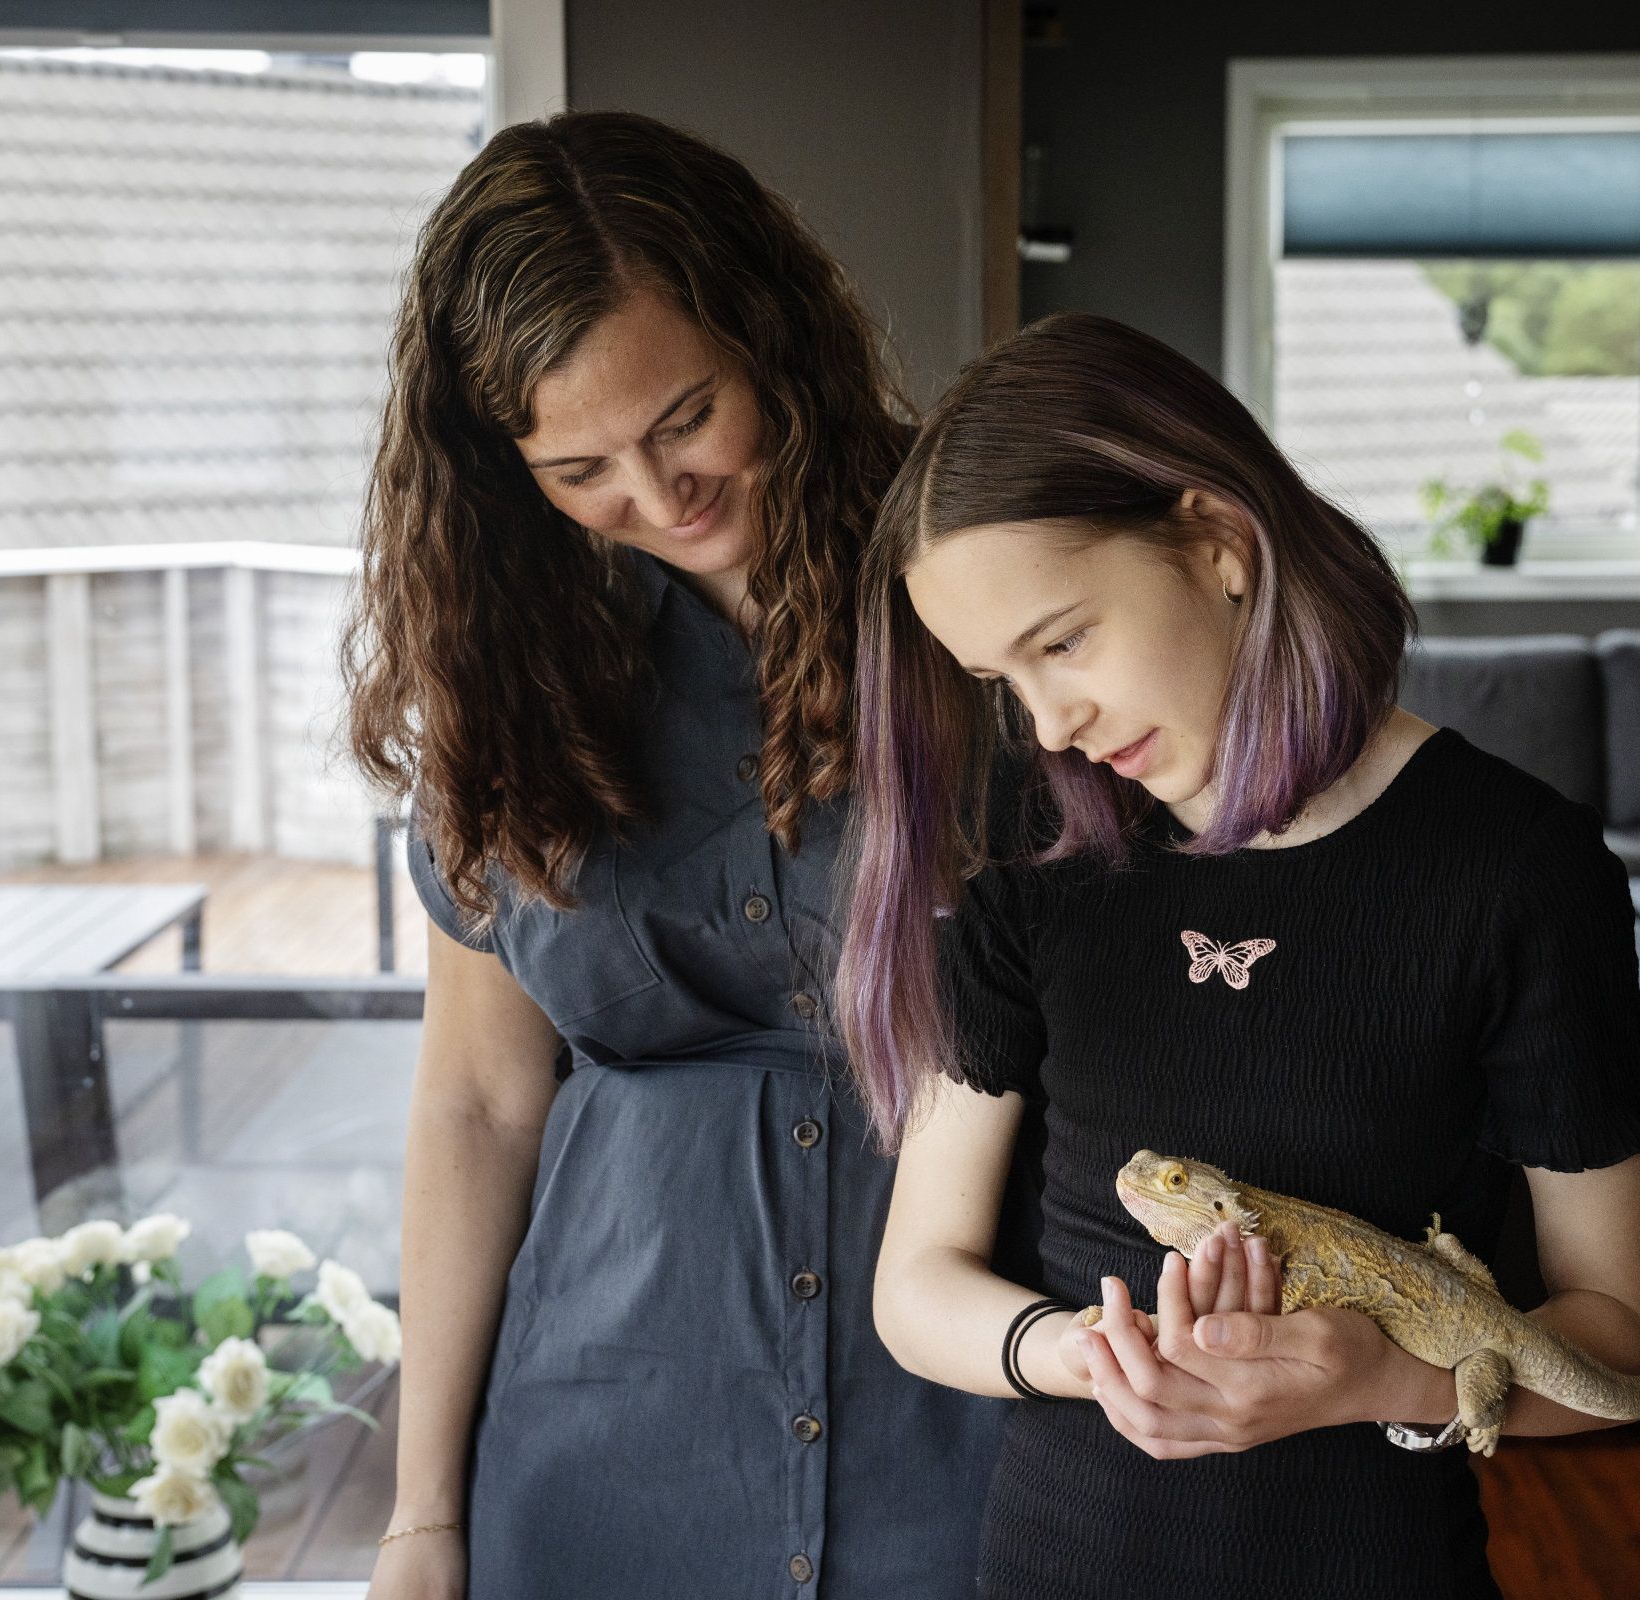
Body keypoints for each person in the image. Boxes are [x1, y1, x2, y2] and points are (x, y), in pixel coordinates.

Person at [839, 312, 1640, 1599]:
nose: (1050, 724)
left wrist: (1383, 1378)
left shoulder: (1518, 870)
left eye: (1063, 640)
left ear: (1220, 543)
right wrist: (1097, 1355)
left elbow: (1625, 1338)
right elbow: (919, 1281)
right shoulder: (1031, 847)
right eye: (1001, 679)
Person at [344, 111, 1007, 1599]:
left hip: (971, 1433)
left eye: (686, 418)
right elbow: (477, 1107)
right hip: (604, 1446)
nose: (656, 498)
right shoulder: (511, 679)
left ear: (769, 330)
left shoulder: (995, 577)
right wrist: (421, 1514)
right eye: (579, 467)